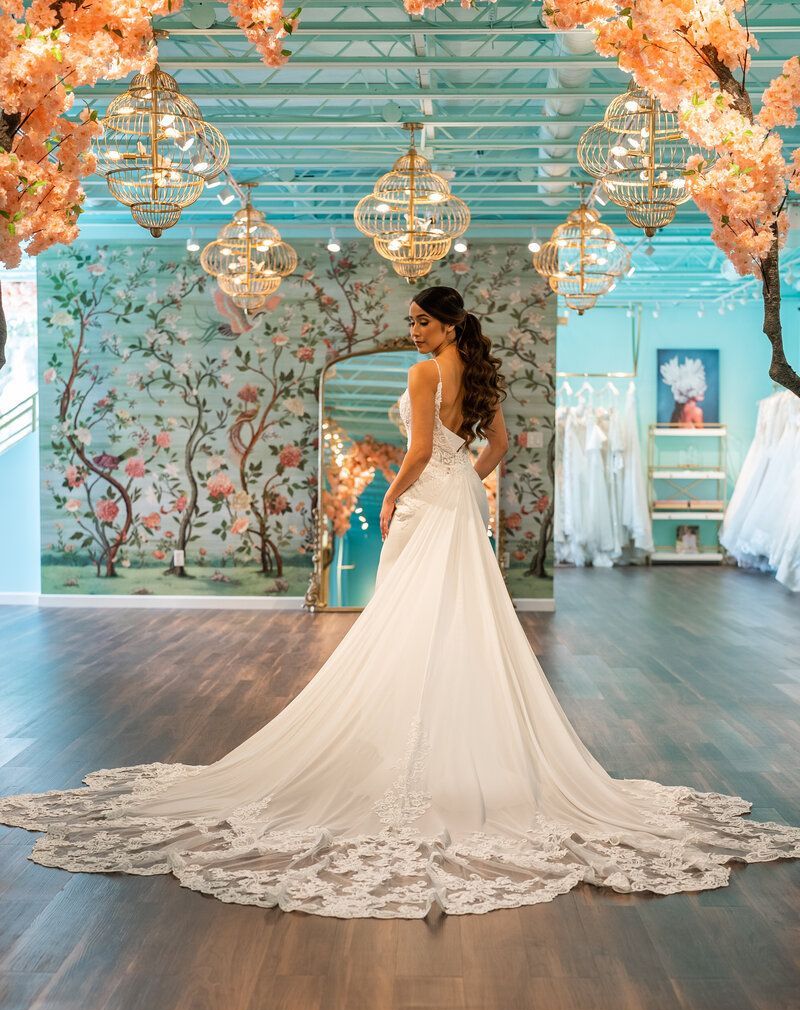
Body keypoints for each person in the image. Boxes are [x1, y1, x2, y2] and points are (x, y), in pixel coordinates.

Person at [1, 285, 798, 919]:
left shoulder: (425, 375)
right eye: (412, 323)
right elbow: (499, 450)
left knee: (410, 619)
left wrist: (391, 499)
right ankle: (452, 754)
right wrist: (460, 484)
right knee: (461, 624)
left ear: (446, 328)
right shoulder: (478, 374)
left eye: (420, 322)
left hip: (426, 504)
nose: (412, 332)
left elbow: (418, 450)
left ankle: (414, 751)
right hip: (460, 511)